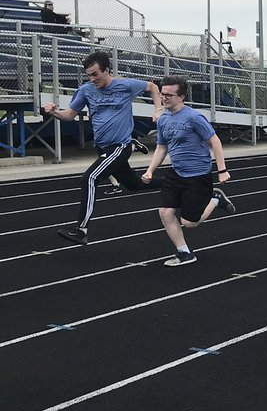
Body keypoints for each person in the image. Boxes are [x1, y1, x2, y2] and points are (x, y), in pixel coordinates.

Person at [43, 50, 161, 245]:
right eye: (89, 75)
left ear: (107, 70)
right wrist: (54, 112)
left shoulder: (125, 85)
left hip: (120, 146)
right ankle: (178, 184)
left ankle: (81, 230)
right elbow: (69, 115)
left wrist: (158, 109)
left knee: (89, 178)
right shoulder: (86, 90)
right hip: (103, 147)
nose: (92, 78)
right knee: (134, 185)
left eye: (95, 74)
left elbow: (152, 87)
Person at [140, 76, 235, 265]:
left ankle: (215, 199)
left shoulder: (194, 117)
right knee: (165, 213)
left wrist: (222, 170)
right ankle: (184, 253)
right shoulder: (163, 119)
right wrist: (150, 170)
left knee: (190, 222)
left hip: (198, 175)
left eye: (169, 94)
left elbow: (215, 141)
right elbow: (161, 147)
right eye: (162, 94)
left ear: (181, 97)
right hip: (176, 173)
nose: (164, 98)